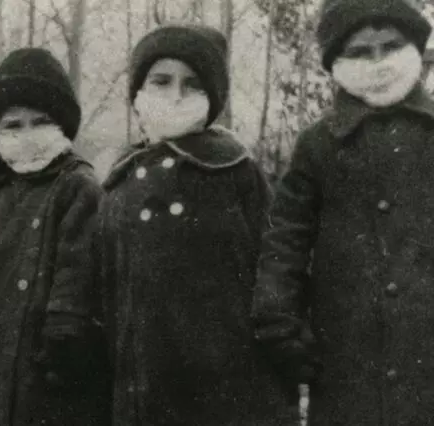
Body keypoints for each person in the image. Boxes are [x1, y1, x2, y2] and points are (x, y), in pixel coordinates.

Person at [96, 25, 290, 425]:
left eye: (193, 84)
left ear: (212, 96)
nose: (176, 95)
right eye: (161, 81)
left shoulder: (236, 171)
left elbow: (275, 267)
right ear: (139, 90)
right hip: (140, 389)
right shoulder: (119, 180)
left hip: (224, 388)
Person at [252, 0, 434, 424]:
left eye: (391, 46)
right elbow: (286, 238)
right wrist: (279, 321)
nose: (379, 63)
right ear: (337, 61)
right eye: (360, 52)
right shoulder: (319, 145)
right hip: (346, 360)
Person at [0, 48, 110, 426]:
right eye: (13, 125)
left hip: (43, 364)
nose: (27, 134)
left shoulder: (76, 187)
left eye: (40, 121)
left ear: (61, 127)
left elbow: (77, 269)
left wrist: (64, 335)